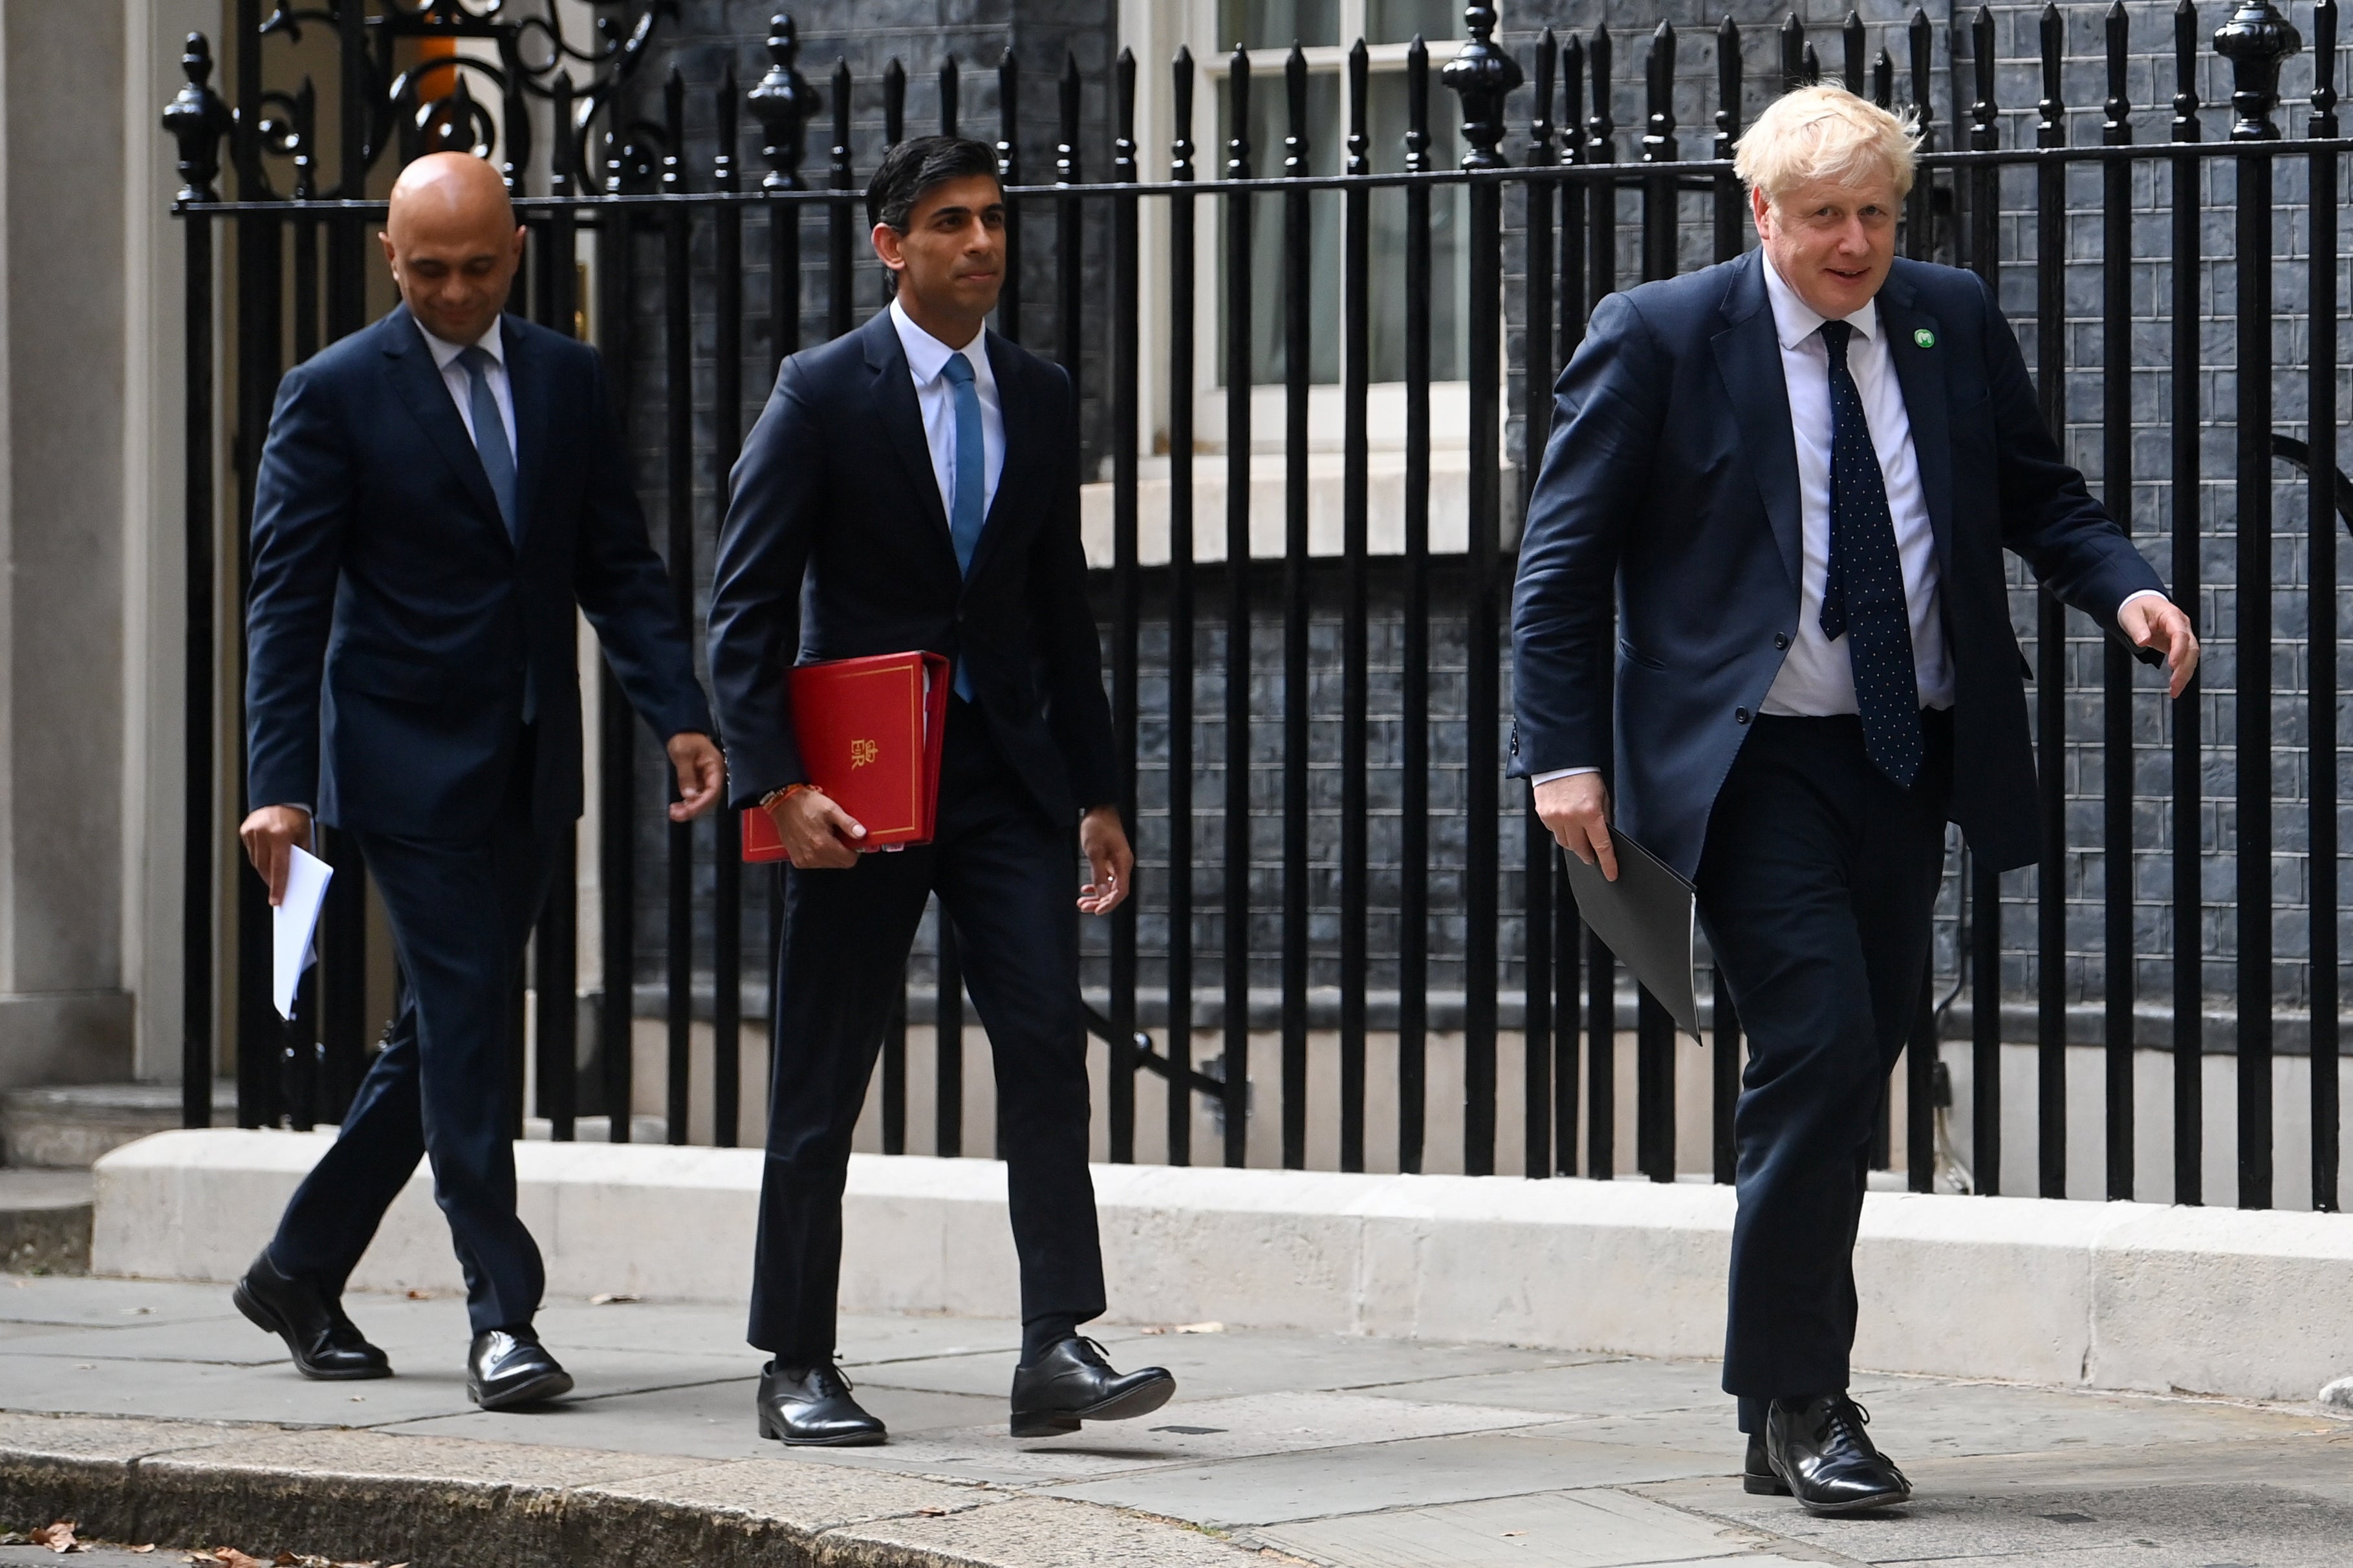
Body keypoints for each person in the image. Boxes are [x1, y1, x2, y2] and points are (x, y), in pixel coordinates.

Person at [1511, 87, 2198, 1513]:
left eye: (1876, 211)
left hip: (1904, 751)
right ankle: (1812, 1398)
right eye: (1823, 214)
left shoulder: (1943, 318)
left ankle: (1774, 1401)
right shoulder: (1661, 336)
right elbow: (1560, 562)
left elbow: (2037, 495)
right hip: (1749, 764)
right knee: (1818, 1045)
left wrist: (2121, 583)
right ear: (1759, 212)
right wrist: (1558, 752)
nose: (1854, 241)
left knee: (1852, 1057)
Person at [235, 152, 722, 1411]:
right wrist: (279, 781)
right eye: (429, 269)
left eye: (479, 266)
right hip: (399, 763)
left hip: (525, 758)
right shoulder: (332, 392)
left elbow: (616, 561)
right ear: (390, 262)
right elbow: (286, 602)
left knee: (443, 1031)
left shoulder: (566, 377)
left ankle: (297, 1266)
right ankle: (503, 1314)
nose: (455, 291)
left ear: (518, 252)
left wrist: (675, 711)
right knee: (471, 1027)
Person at [707, 134, 1173, 1447]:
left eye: (993, 220)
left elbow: (1055, 606)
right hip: (862, 795)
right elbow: (742, 611)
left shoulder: (1033, 390)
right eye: (951, 222)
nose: (981, 243)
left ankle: (1053, 1347)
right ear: (890, 247)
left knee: (1042, 1045)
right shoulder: (820, 394)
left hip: (1002, 784)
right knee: (823, 1071)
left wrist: (1095, 789)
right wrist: (778, 784)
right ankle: (794, 1356)